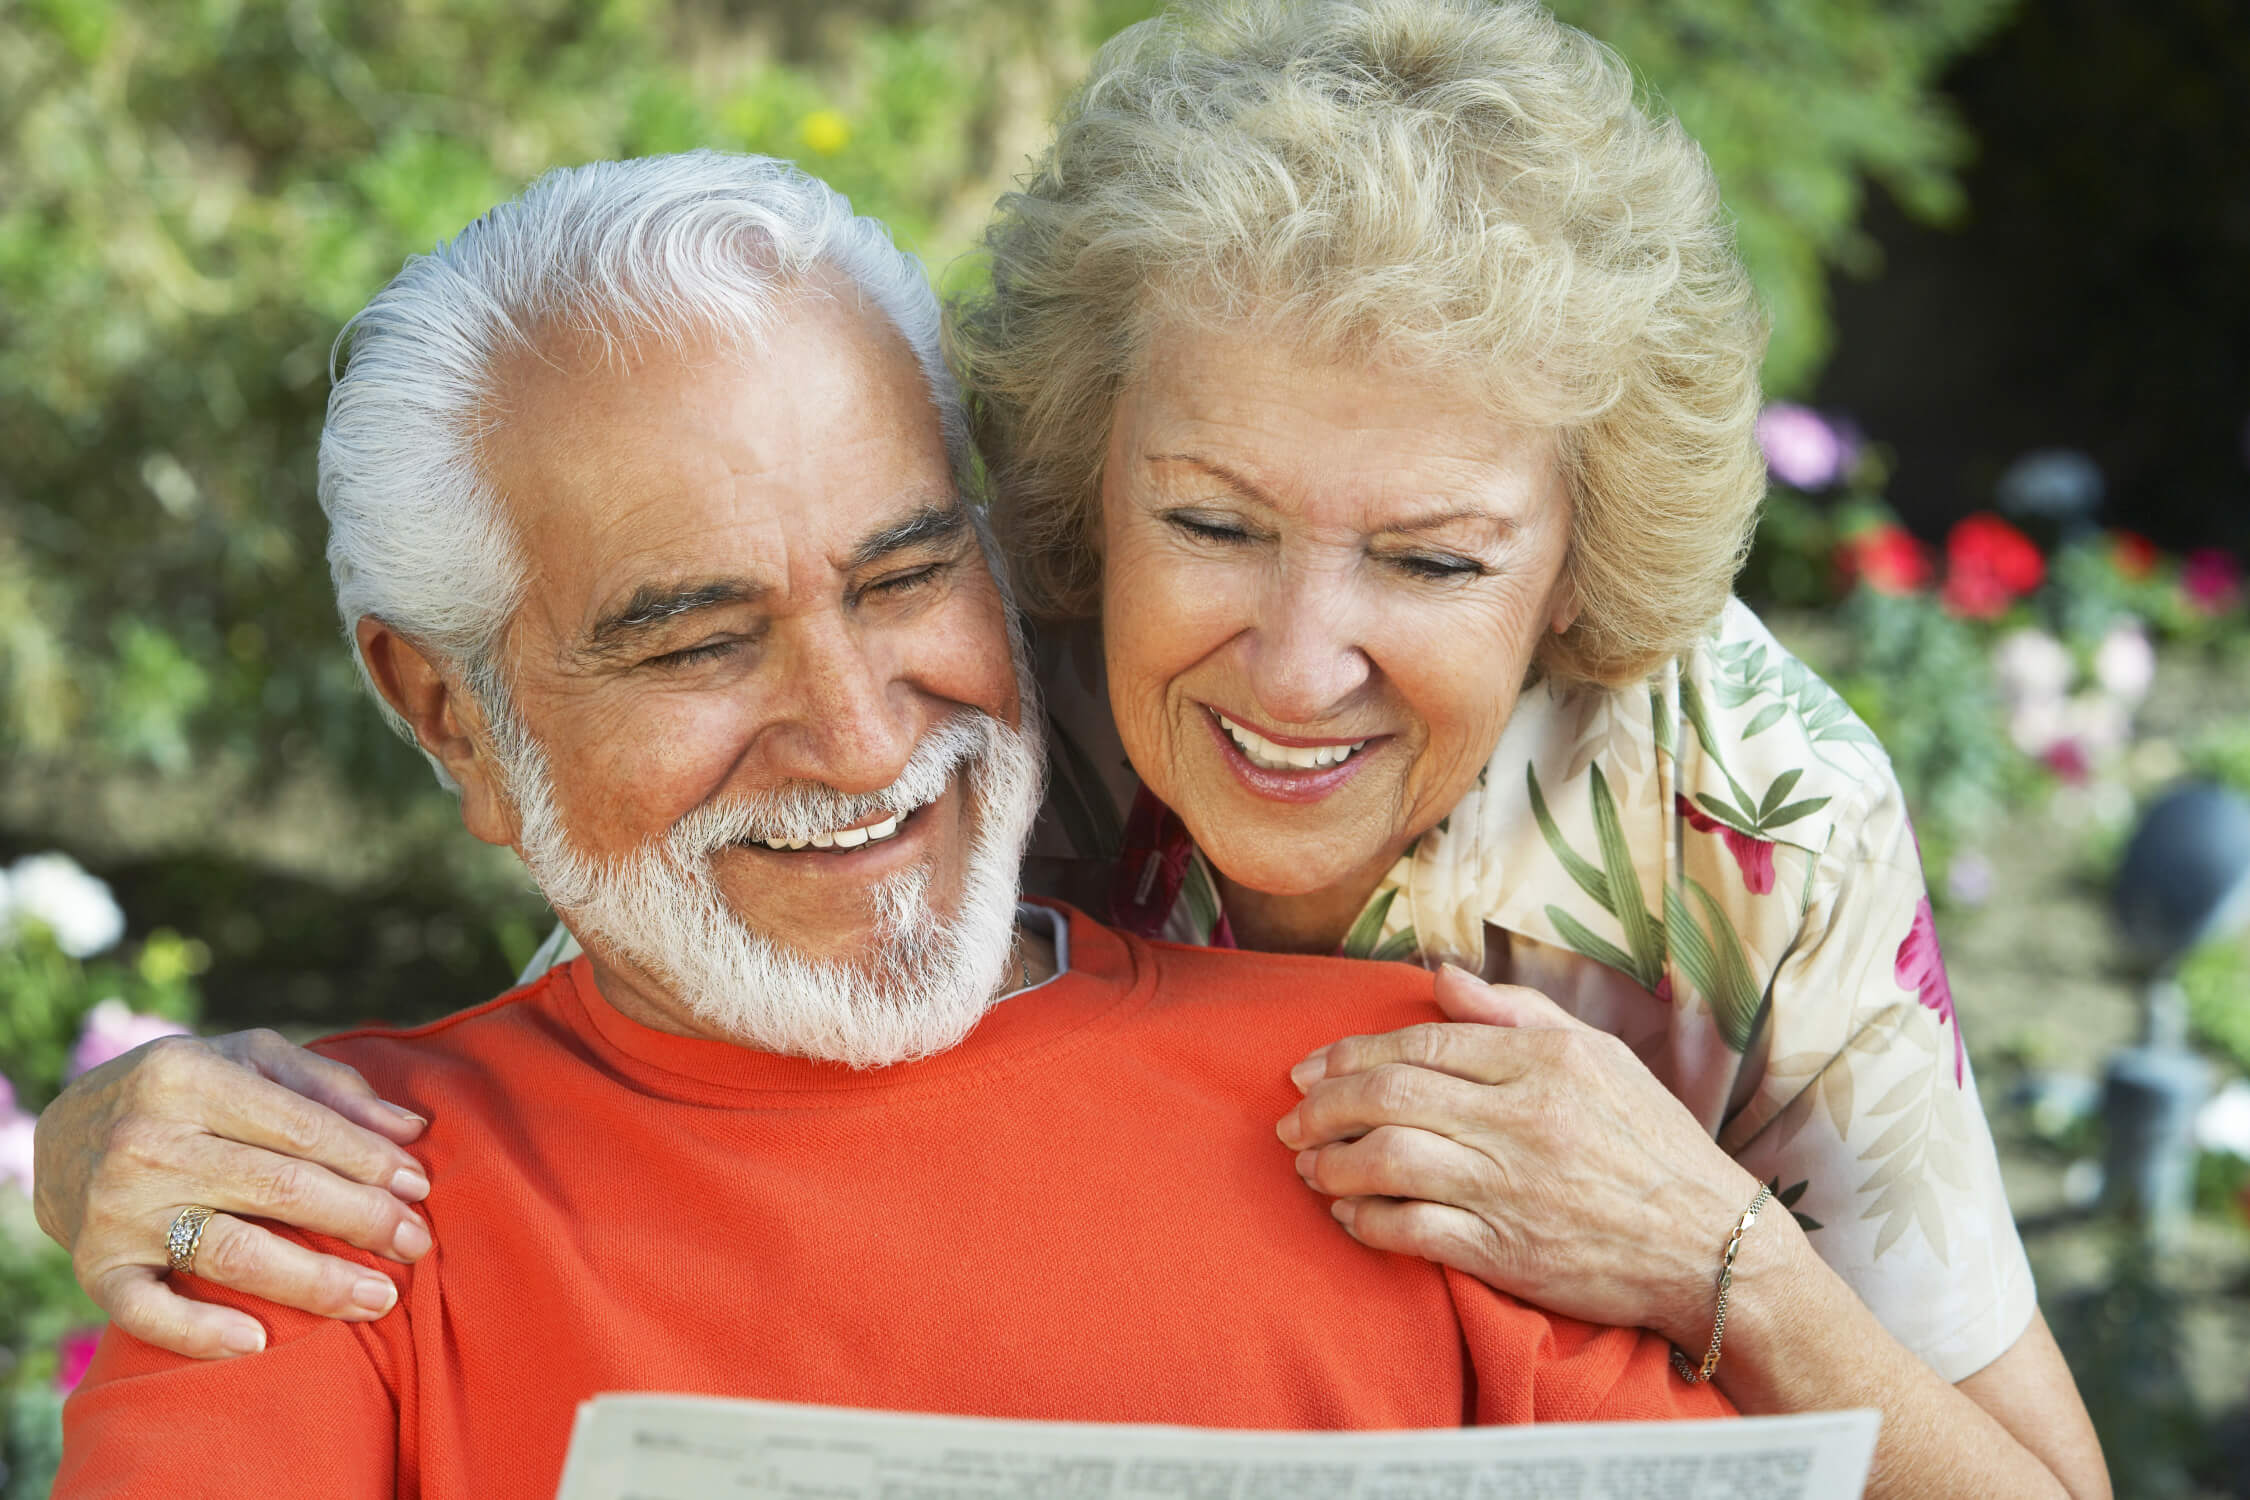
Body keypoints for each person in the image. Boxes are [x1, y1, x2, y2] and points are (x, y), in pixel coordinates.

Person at [38, 2, 2107, 1497]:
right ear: (1079, 506)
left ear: (1566, 576)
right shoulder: (987, 659)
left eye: (1435, 557)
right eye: (1209, 525)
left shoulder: (1587, 1004)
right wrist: (93, 1144)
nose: (1299, 667)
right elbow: (656, 1036)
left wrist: (1714, 1254)